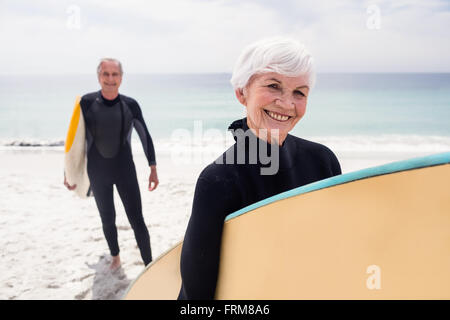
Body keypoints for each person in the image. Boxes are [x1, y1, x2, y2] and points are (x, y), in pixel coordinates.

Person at [178, 38, 342, 299]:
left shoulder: (323, 162)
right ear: (242, 93)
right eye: (274, 86)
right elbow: (197, 293)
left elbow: (333, 249)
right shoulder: (219, 180)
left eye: (299, 92)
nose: (287, 104)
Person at [64, 58, 159, 270]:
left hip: (125, 170)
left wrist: (152, 167)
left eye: (114, 74)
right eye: (105, 74)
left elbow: (144, 135)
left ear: (121, 78)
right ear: (99, 77)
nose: (110, 79)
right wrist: (68, 172)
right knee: (107, 218)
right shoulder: (86, 103)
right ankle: (115, 257)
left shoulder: (130, 105)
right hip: (98, 172)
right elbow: (74, 140)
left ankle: (148, 263)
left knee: (137, 219)